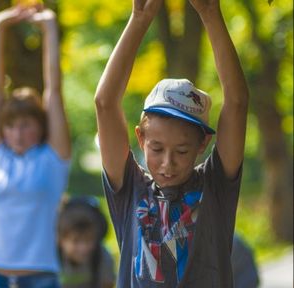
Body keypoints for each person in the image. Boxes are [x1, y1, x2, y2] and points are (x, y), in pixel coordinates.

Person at [94, 0, 249, 286]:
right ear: (140, 137)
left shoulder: (215, 186)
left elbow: (237, 103)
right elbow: (105, 104)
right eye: (156, 149)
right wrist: (139, 19)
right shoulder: (129, 189)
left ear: (202, 143)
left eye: (181, 150)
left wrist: (210, 13)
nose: (167, 163)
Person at [0, 4, 71, 288]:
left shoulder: (53, 160)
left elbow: (53, 90)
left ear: (41, 127)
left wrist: (50, 28)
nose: (17, 133)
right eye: (10, 125)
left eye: (26, 124)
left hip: (40, 276)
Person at [57, 196, 116, 288]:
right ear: (60, 240)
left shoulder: (102, 257)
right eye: (75, 241)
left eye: (89, 240)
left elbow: (107, 284)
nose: (83, 248)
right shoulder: (51, 259)